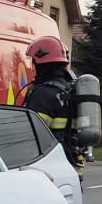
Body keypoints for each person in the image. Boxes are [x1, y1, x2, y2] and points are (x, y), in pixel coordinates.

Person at [20, 34, 80, 167]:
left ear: (41, 63)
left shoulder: (43, 95)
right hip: (71, 165)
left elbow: (31, 134)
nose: (32, 67)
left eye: (33, 62)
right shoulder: (70, 90)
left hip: (49, 167)